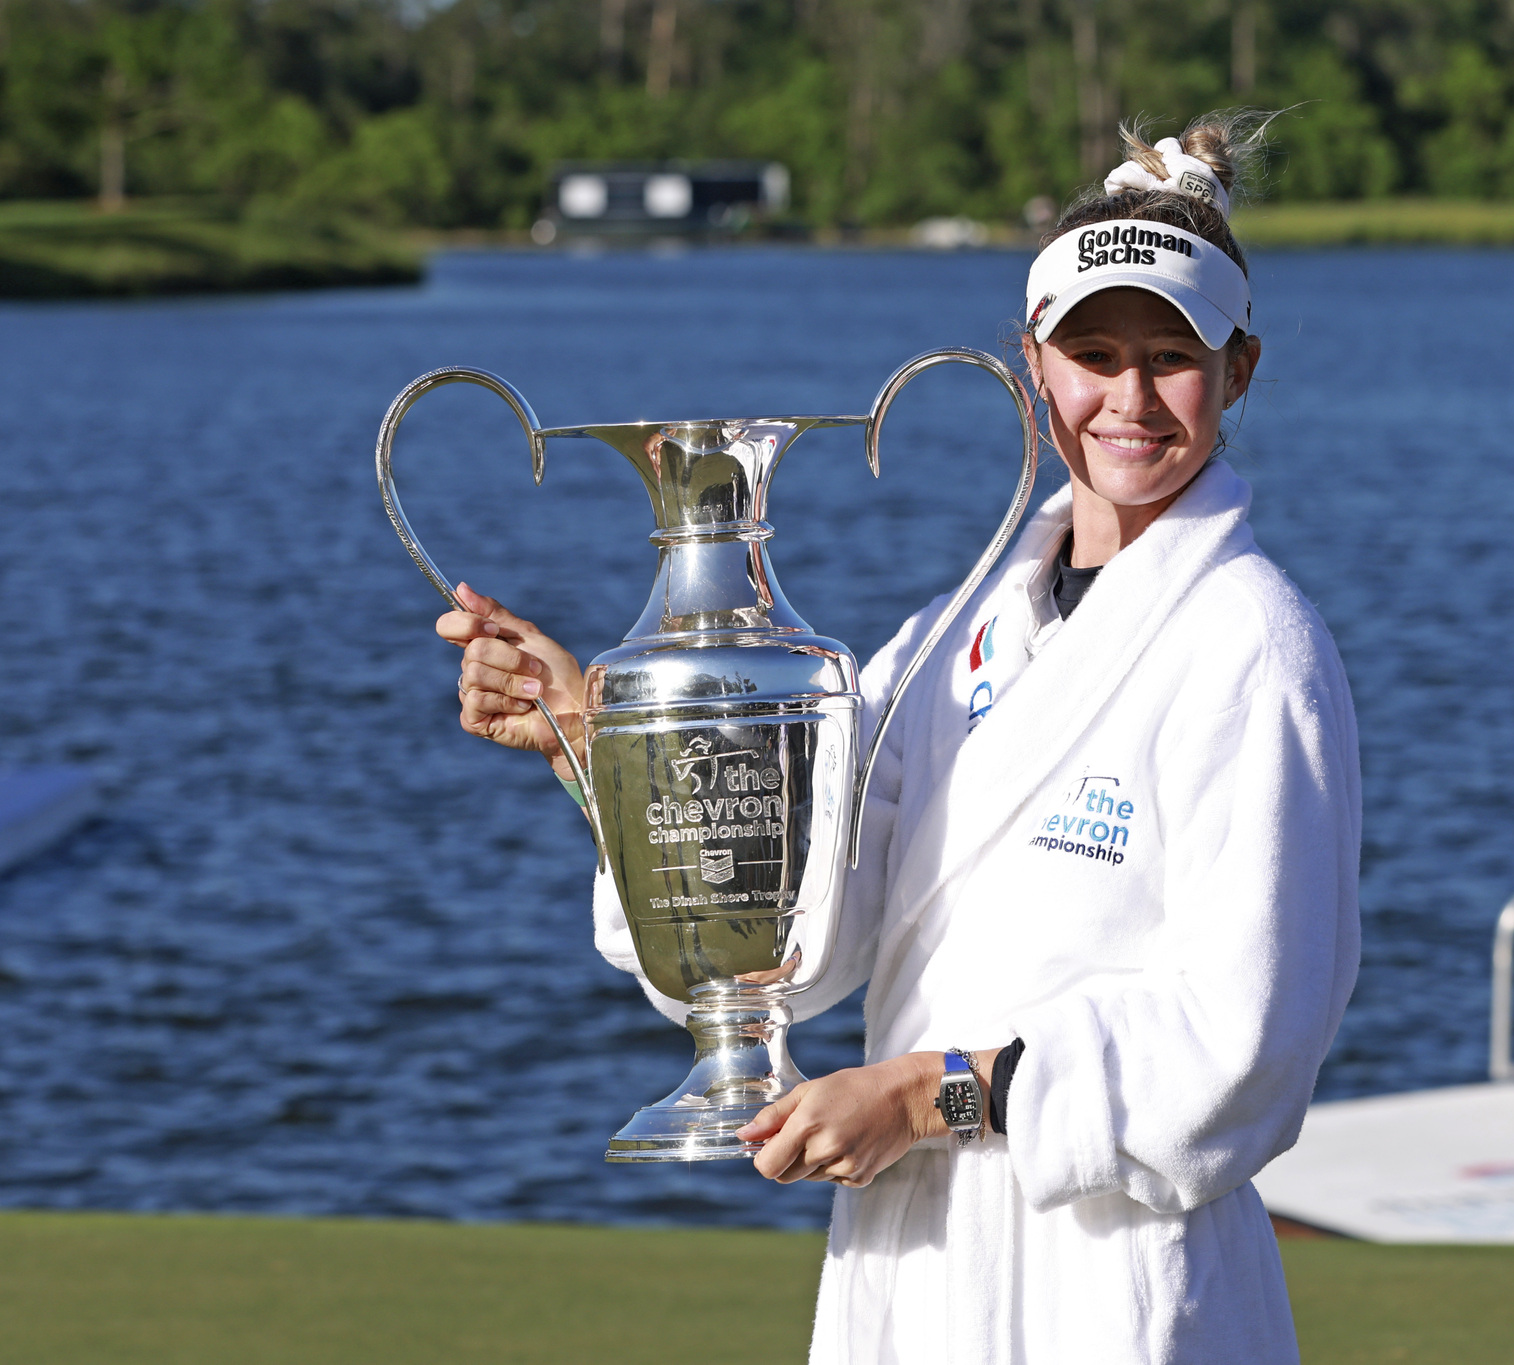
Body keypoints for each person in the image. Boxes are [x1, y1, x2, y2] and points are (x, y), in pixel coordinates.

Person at [438, 113, 1362, 1364]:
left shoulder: (1254, 646)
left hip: (1118, 1288)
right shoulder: (949, 639)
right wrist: (604, 744)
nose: (1129, 400)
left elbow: (1244, 1050)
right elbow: (807, 941)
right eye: (1093, 353)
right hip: (911, 1277)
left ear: (1237, 370)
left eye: (1173, 356)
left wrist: (930, 1097)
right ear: (1031, 363)